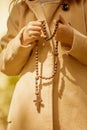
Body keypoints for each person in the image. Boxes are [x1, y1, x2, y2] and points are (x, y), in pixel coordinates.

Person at [0, 0, 87, 130]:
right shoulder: (20, 9)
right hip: (29, 114)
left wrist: (73, 38)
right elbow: (6, 66)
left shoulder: (83, 5)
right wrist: (22, 40)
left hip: (76, 113)